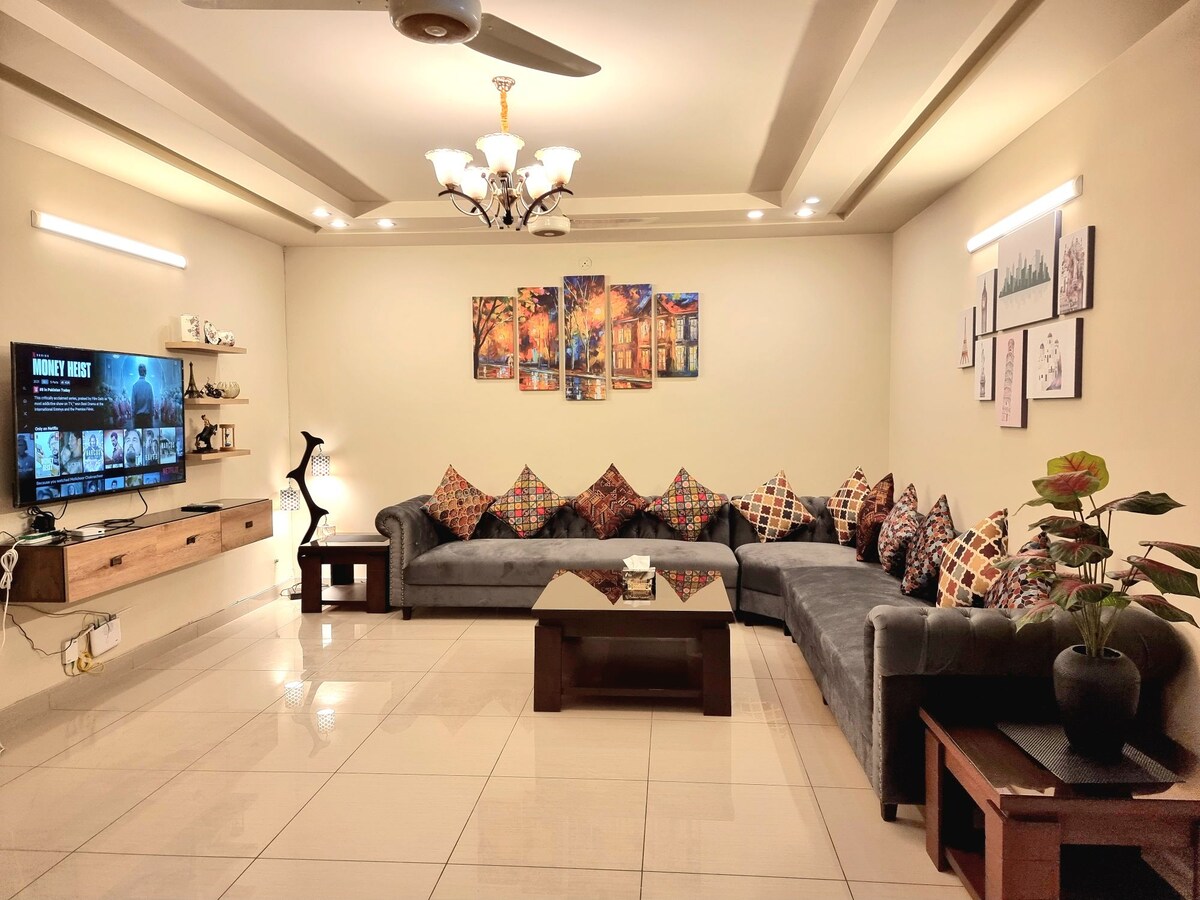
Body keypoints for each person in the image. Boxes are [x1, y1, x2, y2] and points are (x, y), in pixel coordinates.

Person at [131, 363, 155, 428]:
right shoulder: (149, 386)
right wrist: (152, 415)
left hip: (138, 417)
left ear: (138, 372)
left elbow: (133, 403)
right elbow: (151, 402)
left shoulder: (135, 386)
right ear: (145, 372)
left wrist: (133, 416)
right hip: (147, 417)